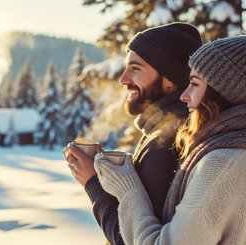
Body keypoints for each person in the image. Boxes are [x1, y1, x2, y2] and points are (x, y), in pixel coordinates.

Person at [93, 26, 246, 244]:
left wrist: (127, 187)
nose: (185, 95)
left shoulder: (222, 163)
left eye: (194, 84)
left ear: (222, 92)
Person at [64, 23, 202, 244]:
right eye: (126, 67)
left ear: (170, 79)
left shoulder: (167, 142)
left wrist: (93, 184)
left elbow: (131, 239)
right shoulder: (173, 129)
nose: (123, 80)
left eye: (135, 69)